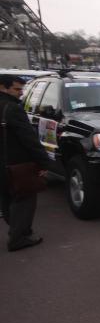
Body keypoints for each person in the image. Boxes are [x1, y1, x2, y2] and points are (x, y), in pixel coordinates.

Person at [0, 74, 49, 252]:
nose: (21, 93)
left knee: (6, 198)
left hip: (4, 165)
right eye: (17, 89)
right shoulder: (12, 108)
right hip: (17, 164)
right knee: (24, 199)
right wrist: (43, 162)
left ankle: (17, 230)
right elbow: (28, 138)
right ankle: (18, 238)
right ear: (2, 87)